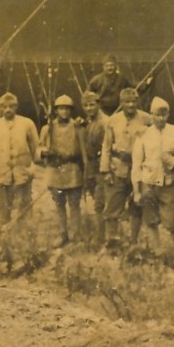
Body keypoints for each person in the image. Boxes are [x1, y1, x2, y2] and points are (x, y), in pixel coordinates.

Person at [130, 98, 174, 257]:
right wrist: (136, 190)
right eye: (157, 115)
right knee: (150, 219)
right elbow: (136, 164)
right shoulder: (144, 135)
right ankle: (156, 251)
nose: (161, 118)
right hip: (148, 182)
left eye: (164, 114)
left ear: (169, 114)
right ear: (151, 115)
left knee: (172, 220)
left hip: (169, 183)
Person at [98, 87, 151, 248]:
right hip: (118, 167)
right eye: (127, 102)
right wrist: (106, 170)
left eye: (134, 101)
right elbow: (106, 146)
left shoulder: (146, 119)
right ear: (121, 103)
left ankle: (133, 241)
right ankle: (112, 240)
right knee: (113, 205)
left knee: (137, 205)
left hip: (138, 168)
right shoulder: (113, 121)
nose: (130, 105)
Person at [0, 93, 39, 242]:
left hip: (22, 171)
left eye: (11, 106)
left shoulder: (27, 123)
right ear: (1, 108)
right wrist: (0, 162)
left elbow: (35, 146)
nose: (8, 109)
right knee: (2, 204)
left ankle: (25, 233)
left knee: (24, 202)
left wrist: (30, 166)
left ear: (16, 107)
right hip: (3, 171)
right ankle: (1, 234)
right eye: (5, 107)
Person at [39, 95, 90, 246]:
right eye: (61, 109)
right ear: (56, 111)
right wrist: (44, 153)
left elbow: (83, 151)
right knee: (59, 204)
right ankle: (63, 234)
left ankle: (76, 235)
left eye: (67, 109)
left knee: (74, 204)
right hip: (55, 171)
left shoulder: (77, 127)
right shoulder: (48, 128)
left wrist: (85, 170)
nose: (64, 112)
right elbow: (40, 147)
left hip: (72, 170)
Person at [78, 91, 108, 245]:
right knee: (94, 200)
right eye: (86, 105)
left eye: (92, 104)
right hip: (90, 166)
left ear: (98, 104)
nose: (89, 108)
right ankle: (98, 233)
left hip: (101, 167)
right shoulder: (89, 122)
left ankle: (101, 238)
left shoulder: (104, 123)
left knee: (100, 204)